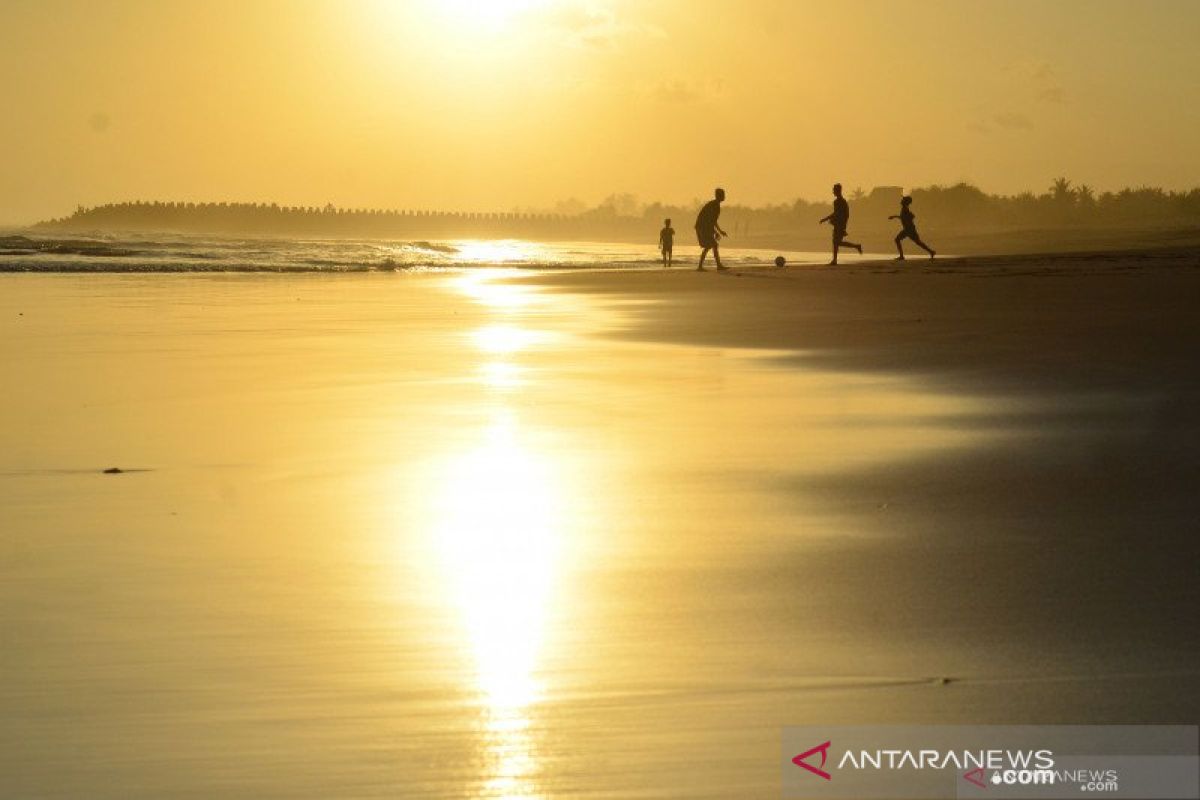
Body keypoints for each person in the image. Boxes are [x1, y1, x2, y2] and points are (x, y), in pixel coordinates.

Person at [818, 183, 862, 265]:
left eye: (834, 190)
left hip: (839, 225)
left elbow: (838, 214)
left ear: (838, 191)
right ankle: (835, 260)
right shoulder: (841, 201)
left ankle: (855, 247)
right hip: (839, 225)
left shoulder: (839, 202)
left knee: (837, 242)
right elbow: (844, 214)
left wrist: (826, 219)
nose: (833, 192)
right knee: (836, 242)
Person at [889, 195, 936, 260]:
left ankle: (902, 256)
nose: (901, 201)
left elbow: (909, 217)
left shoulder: (905, 209)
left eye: (903, 200)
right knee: (918, 242)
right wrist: (895, 217)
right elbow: (906, 217)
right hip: (908, 229)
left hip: (909, 229)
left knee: (898, 240)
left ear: (905, 202)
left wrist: (895, 217)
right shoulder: (905, 208)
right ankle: (931, 252)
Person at [694, 188, 728, 271]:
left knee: (711, 245)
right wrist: (716, 232)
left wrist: (719, 231)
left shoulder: (715, 205)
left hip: (705, 227)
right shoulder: (714, 206)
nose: (724, 196)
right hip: (702, 227)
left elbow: (713, 221)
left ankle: (702, 266)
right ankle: (715, 266)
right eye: (723, 195)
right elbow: (709, 221)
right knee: (712, 245)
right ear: (719, 196)